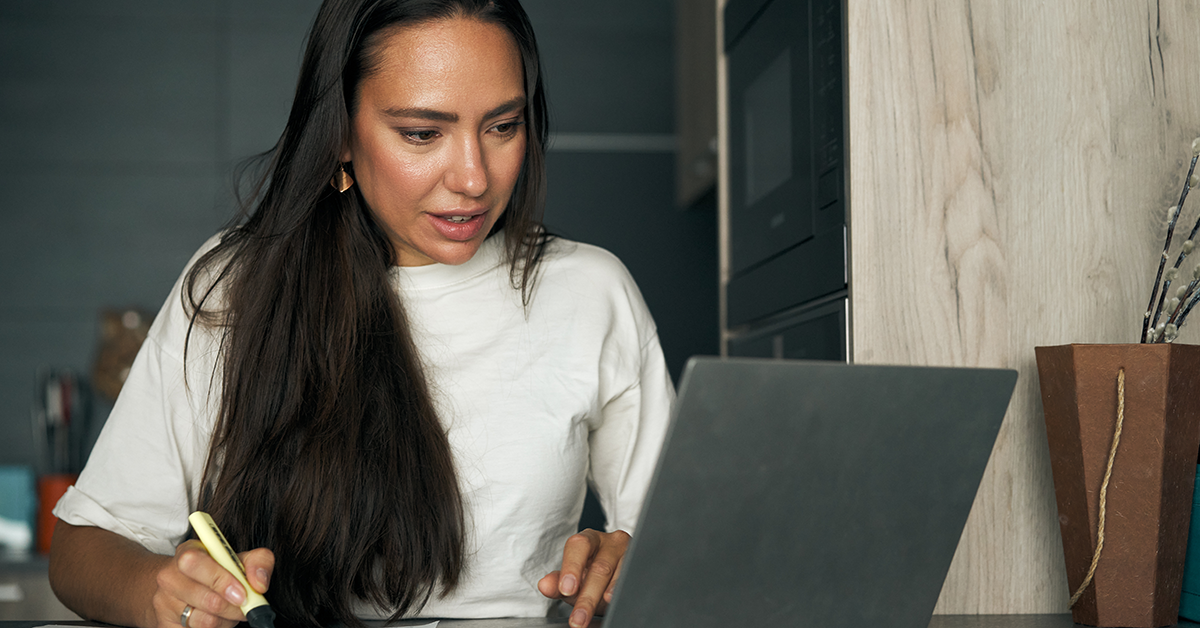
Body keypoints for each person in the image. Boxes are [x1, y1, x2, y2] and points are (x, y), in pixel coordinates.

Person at [46, 2, 674, 628]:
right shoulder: (236, 287)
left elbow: (693, 552)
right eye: (423, 134)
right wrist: (163, 591)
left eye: (502, 126)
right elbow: (83, 548)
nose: (474, 177)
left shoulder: (591, 292)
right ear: (342, 134)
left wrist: (630, 561)